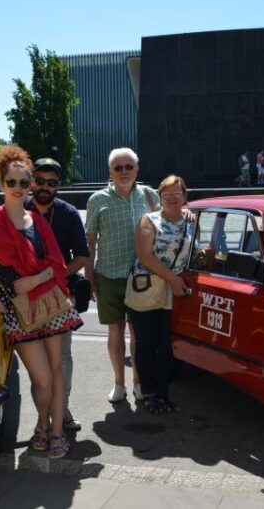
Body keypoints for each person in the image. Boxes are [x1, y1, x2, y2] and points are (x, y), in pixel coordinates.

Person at [0, 145, 82, 459]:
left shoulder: (38, 222)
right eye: (11, 182)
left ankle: (54, 432)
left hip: (50, 305)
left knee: (57, 372)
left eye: (24, 183)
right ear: (1, 184)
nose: (18, 189)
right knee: (41, 377)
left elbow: (57, 264)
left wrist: (35, 279)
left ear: (30, 185)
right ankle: (42, 422)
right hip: (16, 309)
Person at [85, 148, 156, 403]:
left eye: (129, 166)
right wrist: (89, 276)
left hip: (141, 278)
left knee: (137, 332)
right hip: (109, 276)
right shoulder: (97, 200)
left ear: (137, 169)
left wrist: (187, 213)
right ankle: (118, 383)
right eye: (118, 168)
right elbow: (90, 241)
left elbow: (169, 223)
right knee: (115, 331)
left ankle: (138, 381)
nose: (124, 172)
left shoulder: (150, 196)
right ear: (110, 172)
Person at [25, 157, 90, 431]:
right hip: (23, 296)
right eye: (39, 181)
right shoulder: (18, 210)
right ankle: (44, 416)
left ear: (59, 186)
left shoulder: (68, 213)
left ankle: (61, 411)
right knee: (36, 361)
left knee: (61, 356)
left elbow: (83, 256)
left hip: (59, 292)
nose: (45, 187)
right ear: (32, 181)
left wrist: (53, 277)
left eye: (51, 183)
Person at [130, 175, 194, 414]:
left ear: (185, 197)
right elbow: (145, 256)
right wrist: (173, 279)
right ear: (159, 198)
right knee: (146, 345)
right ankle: (148, 393)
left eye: (177, 193)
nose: (172, 198)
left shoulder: (191, 222)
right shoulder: (149, 220)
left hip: (174, 295)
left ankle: (164, 394)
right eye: (166, 194)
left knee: (167, 347)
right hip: (148, 289)